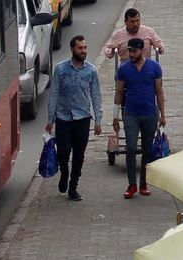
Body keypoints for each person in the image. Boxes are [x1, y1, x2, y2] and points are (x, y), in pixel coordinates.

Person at [46, 35, 101, 201]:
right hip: (63, 118)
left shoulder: (90, 70)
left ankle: (73, 186)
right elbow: (54, 93)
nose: (83, 51)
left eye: (85, 48)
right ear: (72, 49)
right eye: (80, 48)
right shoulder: (61, 69)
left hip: (83, 118)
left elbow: (96, 95)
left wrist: (98, 120)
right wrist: (50, 119)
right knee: (63, 151)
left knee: (79, 154)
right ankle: (64, 172)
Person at [113, 37, 165, 198]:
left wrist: (162, 114)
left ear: (141, 50)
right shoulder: (123, 69)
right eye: (129, 51)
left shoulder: (154, 67)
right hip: (131, 114)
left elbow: (159, 91)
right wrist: (115, 116)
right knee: (130, 147)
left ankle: (143, 183)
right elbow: (119, 92)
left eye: (134, 51)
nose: (131, 54)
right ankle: (131, 184)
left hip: (149, 113)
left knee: (147, 150)